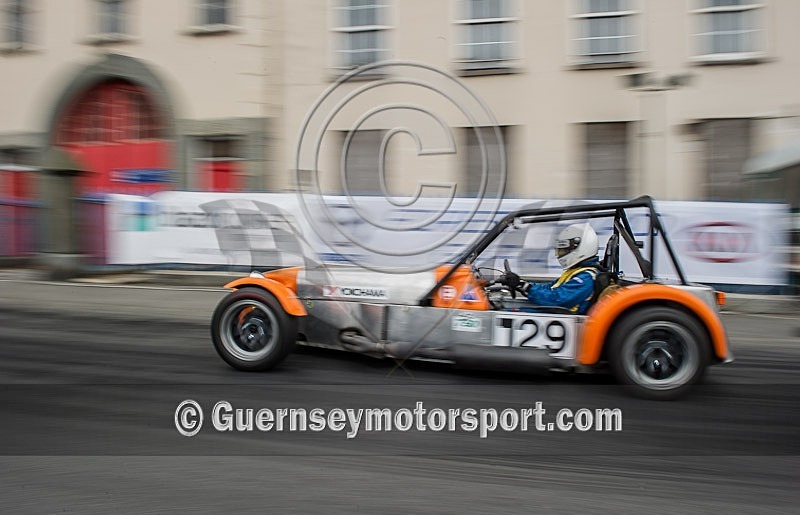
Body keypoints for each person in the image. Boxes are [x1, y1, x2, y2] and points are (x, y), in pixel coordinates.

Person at [502, 223, 601, 315]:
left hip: (564, 318)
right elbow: (549, 288)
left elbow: (557, 299)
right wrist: (521, 284)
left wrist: (527, 288)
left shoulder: (586, 277)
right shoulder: (575, 272)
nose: (559, 254)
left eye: (563, 250)